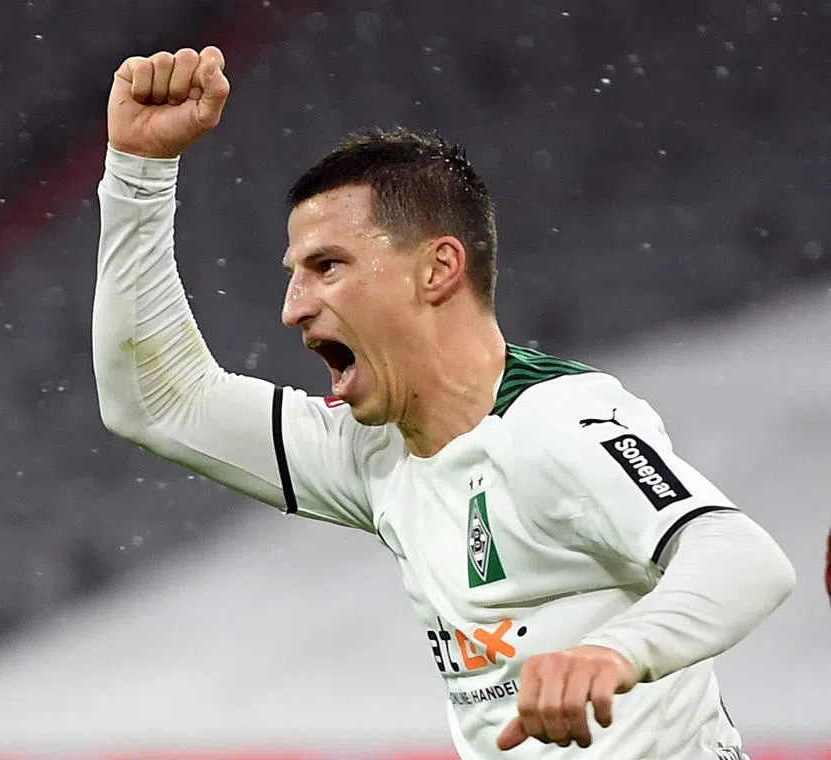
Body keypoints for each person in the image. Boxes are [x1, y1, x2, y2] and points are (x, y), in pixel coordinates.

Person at [92, 45, 795, 758]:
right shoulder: (376, 451)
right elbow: (158, 402)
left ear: (438, 269)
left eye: (327, 266)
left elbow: (743, 557)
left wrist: (614, 653)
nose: (292, 307)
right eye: (295, 273)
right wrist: (138, 173)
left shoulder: (553, 424)